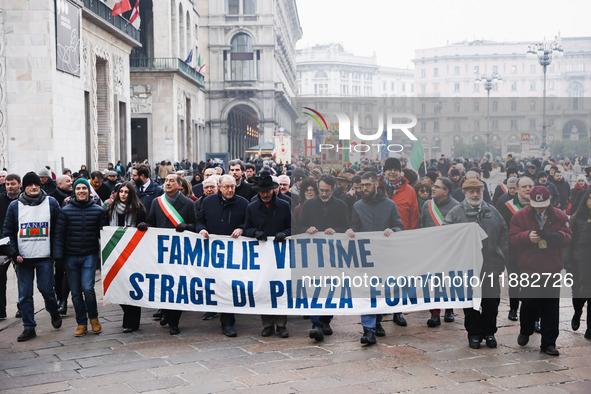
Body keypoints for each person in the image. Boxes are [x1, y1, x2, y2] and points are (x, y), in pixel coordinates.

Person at [444, 179, 508, 350]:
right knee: (470, 304)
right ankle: (473, 334)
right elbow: (445, 235)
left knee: (491, 303)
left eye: (478, 191)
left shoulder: (492, 211)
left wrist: (501, 256)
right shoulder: (455, 213)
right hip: (468, 268)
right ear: (464, 193)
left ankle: (489, 332)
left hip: (491, 266)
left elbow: (503, 232)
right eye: (471, 191)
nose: (475, 194)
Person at [509, 186, 572, 356]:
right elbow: (513, 238)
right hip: (529, 269)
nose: (540, 208)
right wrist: (526, 237)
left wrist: (558, 237)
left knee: (551, 307)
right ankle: (526, 329)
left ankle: (549, 343)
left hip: (552, 268)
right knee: (529, 303)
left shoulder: (559, 215)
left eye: (543, 204)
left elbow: (568, 235)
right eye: (537, 205)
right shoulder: (520, 215)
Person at [3, 172, 63, 341]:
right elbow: (8, 232)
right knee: (25, 294)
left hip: (45, 256)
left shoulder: (51, 203)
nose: (34, 187)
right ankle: (29, 327)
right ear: (25, 187)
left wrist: (56, 253)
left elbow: (59, 230)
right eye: (30, 185)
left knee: (46, 289)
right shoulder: (15, 206)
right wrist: (14, 253)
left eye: (36, 184)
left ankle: (53, 311)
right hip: (23, 259)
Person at [346, 171, 403, 345]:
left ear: (376, 185)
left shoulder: (390, 205)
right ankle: (368, 330)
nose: (364, 188)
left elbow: (399, 226)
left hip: (385, 255)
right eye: (362, 185)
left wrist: (393, 231)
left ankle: (377, 322)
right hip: (366, 256)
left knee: (382, 291)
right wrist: (350, 232)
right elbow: (354, 228)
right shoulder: (358, 206)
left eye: (367, 185)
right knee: (367, 292)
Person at [137, 174, 196, 335]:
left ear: (179, 185)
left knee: (177, 286)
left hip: (181, 253)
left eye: (171, 181)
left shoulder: (189, 203)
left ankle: (174, 321)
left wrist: (187, 226)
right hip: (162, 252)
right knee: (165, 285)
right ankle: (167, 314)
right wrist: (144, 225)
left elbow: (195, 225)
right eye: (166, 181)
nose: (167, 183)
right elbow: (151, 221)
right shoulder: (157, 202)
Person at [196, 174, 248, 336]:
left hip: (234, 253)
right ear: (219, 187)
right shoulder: (208, 202)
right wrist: (201, 229)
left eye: (232, 186)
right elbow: (199, 220)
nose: (230, 190)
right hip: (213, 252)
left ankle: (227, 322)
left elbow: (249, 223)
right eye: (226, 187)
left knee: (228, 287)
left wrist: (242, 228)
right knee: (215, 284)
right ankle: (213, 310)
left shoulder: (243, 203)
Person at [299, 174, 349, 342]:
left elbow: (347, 227)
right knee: (314, 286)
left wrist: (336, 230)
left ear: (332, 190)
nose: (324, 194)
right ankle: (316, 324)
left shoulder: (341, 205)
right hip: (313, 251)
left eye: (327, 191)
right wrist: (308, 228)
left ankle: (326, 320)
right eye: (321, 190)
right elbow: (301, 225)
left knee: (331, 286)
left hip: (333, 253)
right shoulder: (309, 204)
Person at [54, 177, 105, 337]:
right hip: (70, 257)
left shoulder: (98, 211)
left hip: (89, 255)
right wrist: (58, 257)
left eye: (84, 188)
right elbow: (59, 236)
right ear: (74, 191)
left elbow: (103, 235)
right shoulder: (65, 211)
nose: (81, 191)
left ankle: (94, 318)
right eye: (78, 188)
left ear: (88, 191)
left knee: (88, 288)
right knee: (75, 292)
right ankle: (81, 322)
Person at [244, 172, 292, 338]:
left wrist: (284, 234)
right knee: (264, 288)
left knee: (280, 287)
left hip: (280, 253)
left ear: (273, 190)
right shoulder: (251, 207)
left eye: (267, 191)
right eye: (262, 192)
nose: (264, 194)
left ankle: (281, 324)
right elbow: (246, 228)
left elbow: (293, 227)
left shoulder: (285, 206)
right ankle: (267, 324)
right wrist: (255, 232)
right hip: (261, 253)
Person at [103, 182, 146, 333]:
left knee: (131, 287)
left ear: (131, 194)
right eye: (121, 191)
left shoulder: (139, 210)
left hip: (132, 254)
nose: (123, 194)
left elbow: (147, 227)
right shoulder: (110, 209)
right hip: (115, 254)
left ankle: (131, 321)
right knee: (119, 287)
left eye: (126, 192)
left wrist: (143, 226)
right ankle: (129, 318)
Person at [381, 157, 418, 326]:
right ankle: (379, 311)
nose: (392, 172)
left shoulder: (409, 190)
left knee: (400, 278)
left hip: (401, 239)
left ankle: (398, 311)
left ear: (400, 171)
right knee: (381, 277)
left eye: (395, 169)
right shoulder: (378, 187)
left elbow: (413, 216)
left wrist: (409, 237)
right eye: (389, 169)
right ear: (384, 171)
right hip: (379, 240)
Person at [420, 177, 459, 327]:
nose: (433, 189)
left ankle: (449, 309)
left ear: (446, 191)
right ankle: (434, 313)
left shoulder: (456, 206)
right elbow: (423, 225)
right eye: (433, 186)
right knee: (434, 282)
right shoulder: (426, 205)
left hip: (450, 250)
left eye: (437, 187)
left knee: (450, 281)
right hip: (432, 248)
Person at [497, 177, 533, 322]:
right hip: (513, 250)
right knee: (515, 280)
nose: (528, 189)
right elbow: (502, 229)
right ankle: (513, 308)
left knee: (532, 283)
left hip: (533, 251)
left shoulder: (538, 205)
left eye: (530, 186)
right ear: (516, 189)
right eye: (524, 186)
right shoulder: (507, 206)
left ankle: (532, 313)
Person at [566, 188, 591, 339]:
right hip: (577, 264)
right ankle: (577, 312)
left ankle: (590, 328)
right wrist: (567, 263)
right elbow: (569, 243)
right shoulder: (575, 219)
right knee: (578, 296)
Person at [0, 174, 22, 319]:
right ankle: (1, 310)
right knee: (1, 278)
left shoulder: (24, 200)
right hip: (2, 244)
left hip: (19, 244)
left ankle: (22, 307)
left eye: (13, 184)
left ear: (19, 184)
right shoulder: (1, 199)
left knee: (22, 277)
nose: (10, 186)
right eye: (8, 184)